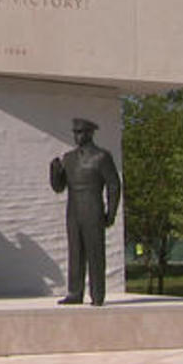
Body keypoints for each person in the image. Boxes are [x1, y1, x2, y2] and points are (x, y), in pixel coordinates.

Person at [50, 118, 120, 306]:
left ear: (90, 133)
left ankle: (97, 294)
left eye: (80, 132)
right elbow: (59, 187)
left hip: (93, 208)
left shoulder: (102, 157)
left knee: (95, 253)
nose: (77, 136)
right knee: (76, 252)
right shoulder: (69, 158)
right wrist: (55, 172)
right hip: (73, 210)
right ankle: (75, 292)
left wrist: (111, 213)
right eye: (75, 132)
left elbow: (113, 185)